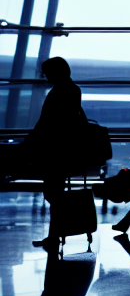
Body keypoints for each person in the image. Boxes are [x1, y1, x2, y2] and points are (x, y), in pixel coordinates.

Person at [26, 57, 86, 251]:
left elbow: (47, 121)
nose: (46, 76)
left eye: (48, 72)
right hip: (64, 149)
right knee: (55, 193)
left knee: (54, 193)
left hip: (56, 150)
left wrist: (32, 138)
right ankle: (54, 235)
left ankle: (54, 236)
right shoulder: (72, 89)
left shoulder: (60, 91)